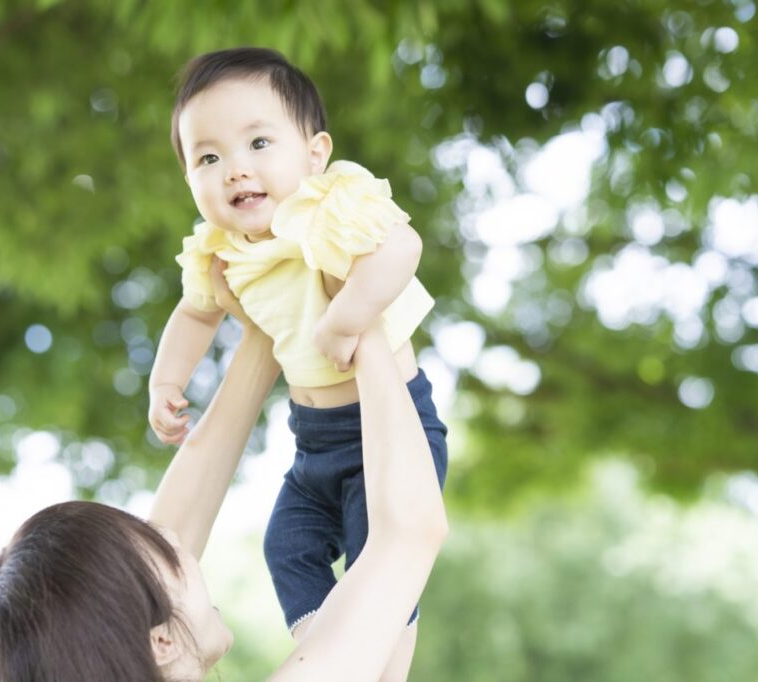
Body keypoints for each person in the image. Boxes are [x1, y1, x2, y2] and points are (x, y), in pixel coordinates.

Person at [0, 259, 450, 681]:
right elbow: (408, 530)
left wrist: (265, 323)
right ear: (161, 640)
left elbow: (171, 539)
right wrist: (359, 321)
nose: (180, 547)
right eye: (167, 553)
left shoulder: (151, 632)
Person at [147, 47, 447, 675]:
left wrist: (347, 319)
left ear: (314, 154)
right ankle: (331, 640)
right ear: (190, 182)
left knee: (378, 550)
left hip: (385, 428)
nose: (235, 170)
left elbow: (402, 248)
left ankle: (382, 657)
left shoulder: (329, 205)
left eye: (259, 143)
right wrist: (166, 382)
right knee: (287, 544)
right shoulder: (219, 250)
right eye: (208, 158)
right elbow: (196, 313)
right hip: (312, 440)